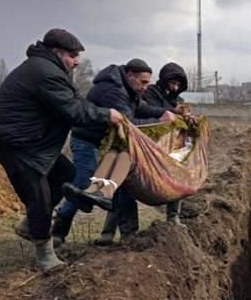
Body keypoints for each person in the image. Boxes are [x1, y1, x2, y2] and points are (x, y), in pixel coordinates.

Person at [0, 28, 124, 273]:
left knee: (66, 175)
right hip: (16, 141)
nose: (77, 60)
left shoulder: (51, 70)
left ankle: (30, 225)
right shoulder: (46, 73)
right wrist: (106, 115)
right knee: (39, 192)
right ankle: (45, 254)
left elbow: (75, 103)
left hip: (32, 140)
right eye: (72, 55)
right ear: (57, 52)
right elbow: (73, 111)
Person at [49, 58, 175, 246]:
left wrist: (163, 112)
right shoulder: (113, 91)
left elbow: (140, 108)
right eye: (143, 82)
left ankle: (128, 233)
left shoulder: (129, 90)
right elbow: (128, 124)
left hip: (109, 144)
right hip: (88, 140)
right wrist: (160, 123)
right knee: (83, 183)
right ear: (130, 75)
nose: (145, 87)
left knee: (123, 183)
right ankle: (59, 228)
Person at [142, 62, 194, 225]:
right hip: (148, 145)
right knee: (129, 185)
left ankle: (173, 217)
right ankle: (111, 231)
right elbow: (150, 110)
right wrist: (174, 111)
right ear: (165, 81)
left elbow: (180, 118)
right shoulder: (150, 93)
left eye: (178, 84)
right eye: (173, 83)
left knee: (178, 175)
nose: (175, 87)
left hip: (171, 146)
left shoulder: (178, 100)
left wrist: (188, 117)